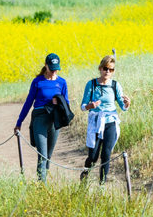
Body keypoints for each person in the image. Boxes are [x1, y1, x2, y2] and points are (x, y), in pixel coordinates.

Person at [15, 52, 70, 181]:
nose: (54, 72)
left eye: (56, 70)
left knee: (49, 155)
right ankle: (42, 187)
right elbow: (28, 102)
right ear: (46, 66)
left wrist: (59, 102)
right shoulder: (37, 82)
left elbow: (66, 104)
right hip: (39, 118)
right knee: (42, 155)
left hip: (54, 120)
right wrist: (19, 122)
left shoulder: (62, 82)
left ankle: (43, 179)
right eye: (51, 69)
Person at [79, 55, 130, 183]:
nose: (108, 72)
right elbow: (83, 106)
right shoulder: (91, 84)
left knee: (106, 154)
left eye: (111, 70)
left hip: (110, 122)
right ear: (100, 68)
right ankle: (85, 175)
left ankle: (102, 185)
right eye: (106, 68)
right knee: (93, 156)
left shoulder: (115, 85)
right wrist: (90, 106)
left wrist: (127, 104)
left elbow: (122, 106)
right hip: (96, 122)